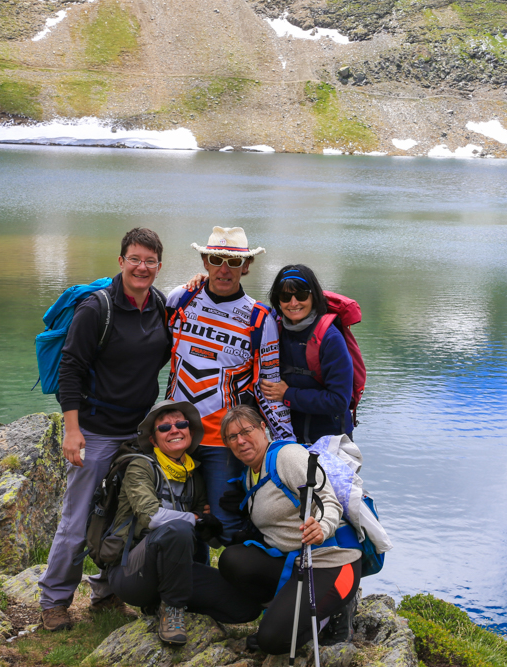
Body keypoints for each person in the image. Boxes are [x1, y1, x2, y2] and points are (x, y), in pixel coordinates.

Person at [38, 228, 172, 632]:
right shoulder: (97, 308)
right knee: (77, 519)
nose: (142, 267)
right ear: (121, 261)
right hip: (95, 431)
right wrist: (72, 430)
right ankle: (55, 600)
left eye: (150, 261)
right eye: (135, 259)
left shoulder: (160, 305)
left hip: (137, 433)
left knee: (124, 515)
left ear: (158, 266)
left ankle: (107, 591)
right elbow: (71, 369)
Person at [165, 226, 293, 542]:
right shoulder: (180, 298)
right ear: (205, 261)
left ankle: (230, 587)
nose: (224, 268)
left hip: (223, 441)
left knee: (224, 524)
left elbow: (271, 388)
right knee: (178, 521)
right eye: (216, 259)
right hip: (174, 435)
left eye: (233, 262)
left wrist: (285, 444)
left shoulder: (260, 319)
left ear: (246, 267)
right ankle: (187, 587)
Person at [107, 400, 263, 644]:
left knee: (246, 608)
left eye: (181, 424)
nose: (175, 430)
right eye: (164, 428)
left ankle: (166, 601)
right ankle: (172, 609)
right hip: (131, 573)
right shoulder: (140, 467)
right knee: (177, 528)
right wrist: (194, 517)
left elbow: (207, 538)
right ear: (153, 439)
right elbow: (153, 517)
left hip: (177, 570)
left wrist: (214, 523)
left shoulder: (194, 475)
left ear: (190, 431)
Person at [217, 406, 361, 655]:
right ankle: (286, 611)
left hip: (332, 563)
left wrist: (322, 527)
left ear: (263, 428)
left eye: (246, 431)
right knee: (232, 560)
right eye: (232, 437)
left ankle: (334, 612)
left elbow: (328, 501)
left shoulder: (288, 456)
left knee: (273, 641)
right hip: (296, 563)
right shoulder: (250, 473)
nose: (240, 441)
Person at [260, 264, 354, 444]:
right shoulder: (273, 328)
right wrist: (201, 283)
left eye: (301, 295)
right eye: (286, 296)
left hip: (331, 441)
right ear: (278, 299)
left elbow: (339, 400)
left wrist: (287, 394)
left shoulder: (330, 338)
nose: (293, 303)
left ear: (313, 296)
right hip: (289, 438)